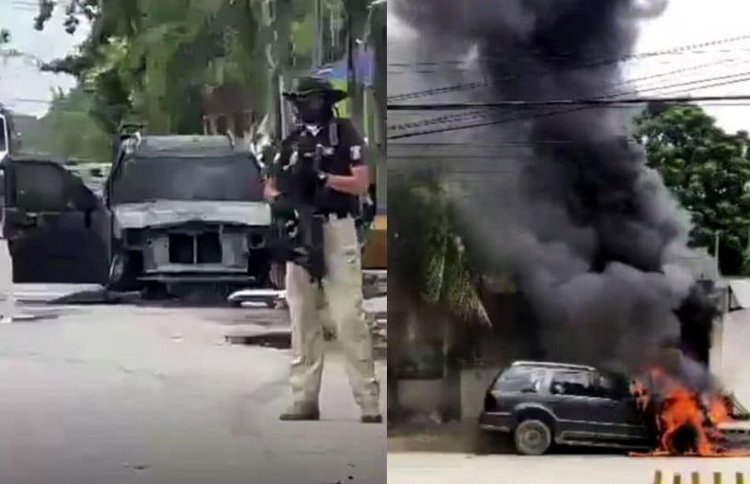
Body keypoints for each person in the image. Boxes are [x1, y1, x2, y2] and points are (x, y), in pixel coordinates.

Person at [264, 76, 381, 423]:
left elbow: (361, 182)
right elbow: (268, 186)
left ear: (326, 101)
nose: (306, 107)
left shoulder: (343, 134)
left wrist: (324, 179)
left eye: (312, 100)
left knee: (349, 318)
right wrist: (283, 200)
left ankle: (369, 403)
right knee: (302, 319)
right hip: (302, 230)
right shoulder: (290, 142)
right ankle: (304, 400)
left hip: (336, 227)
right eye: (301, 101)